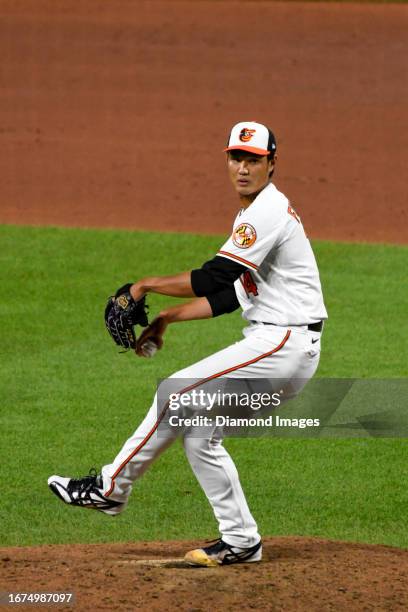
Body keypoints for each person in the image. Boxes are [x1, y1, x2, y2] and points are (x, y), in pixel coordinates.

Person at [48, 121, 328, 567]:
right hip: (281, 343)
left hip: (284, 342)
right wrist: (166, 317)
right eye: (236, 157)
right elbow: (230, 294)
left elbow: (213, 274)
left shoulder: (267, 212)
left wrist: (145, 286)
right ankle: (241, 540)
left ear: (272, 164)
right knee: (199, 432)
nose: (243, 167)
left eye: (253, 159)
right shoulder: (250, 216)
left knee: (175, 391)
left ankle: (109, 488)